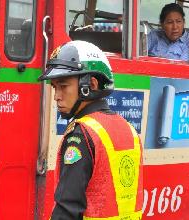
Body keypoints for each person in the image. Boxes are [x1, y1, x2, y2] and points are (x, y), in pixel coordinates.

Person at [38, 40, 143, 219]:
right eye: (55, 87)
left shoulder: (81, 136)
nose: (56, 96)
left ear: (91, 85)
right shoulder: (129, 130)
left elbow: (67, 209)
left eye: (63, 86)